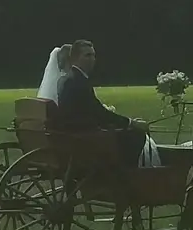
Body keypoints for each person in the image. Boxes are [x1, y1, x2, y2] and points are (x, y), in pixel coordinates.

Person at [54, 39, 161, 167]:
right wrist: (131, 123)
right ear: (75, 58)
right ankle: (125, 173)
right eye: (87, 55)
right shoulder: (78, 81)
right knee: (136, 135)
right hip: (83, 135)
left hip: (75, 132)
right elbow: (99, 113)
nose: (92, 59)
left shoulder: (67, 79)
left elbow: (90, 109)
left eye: (93, 55)